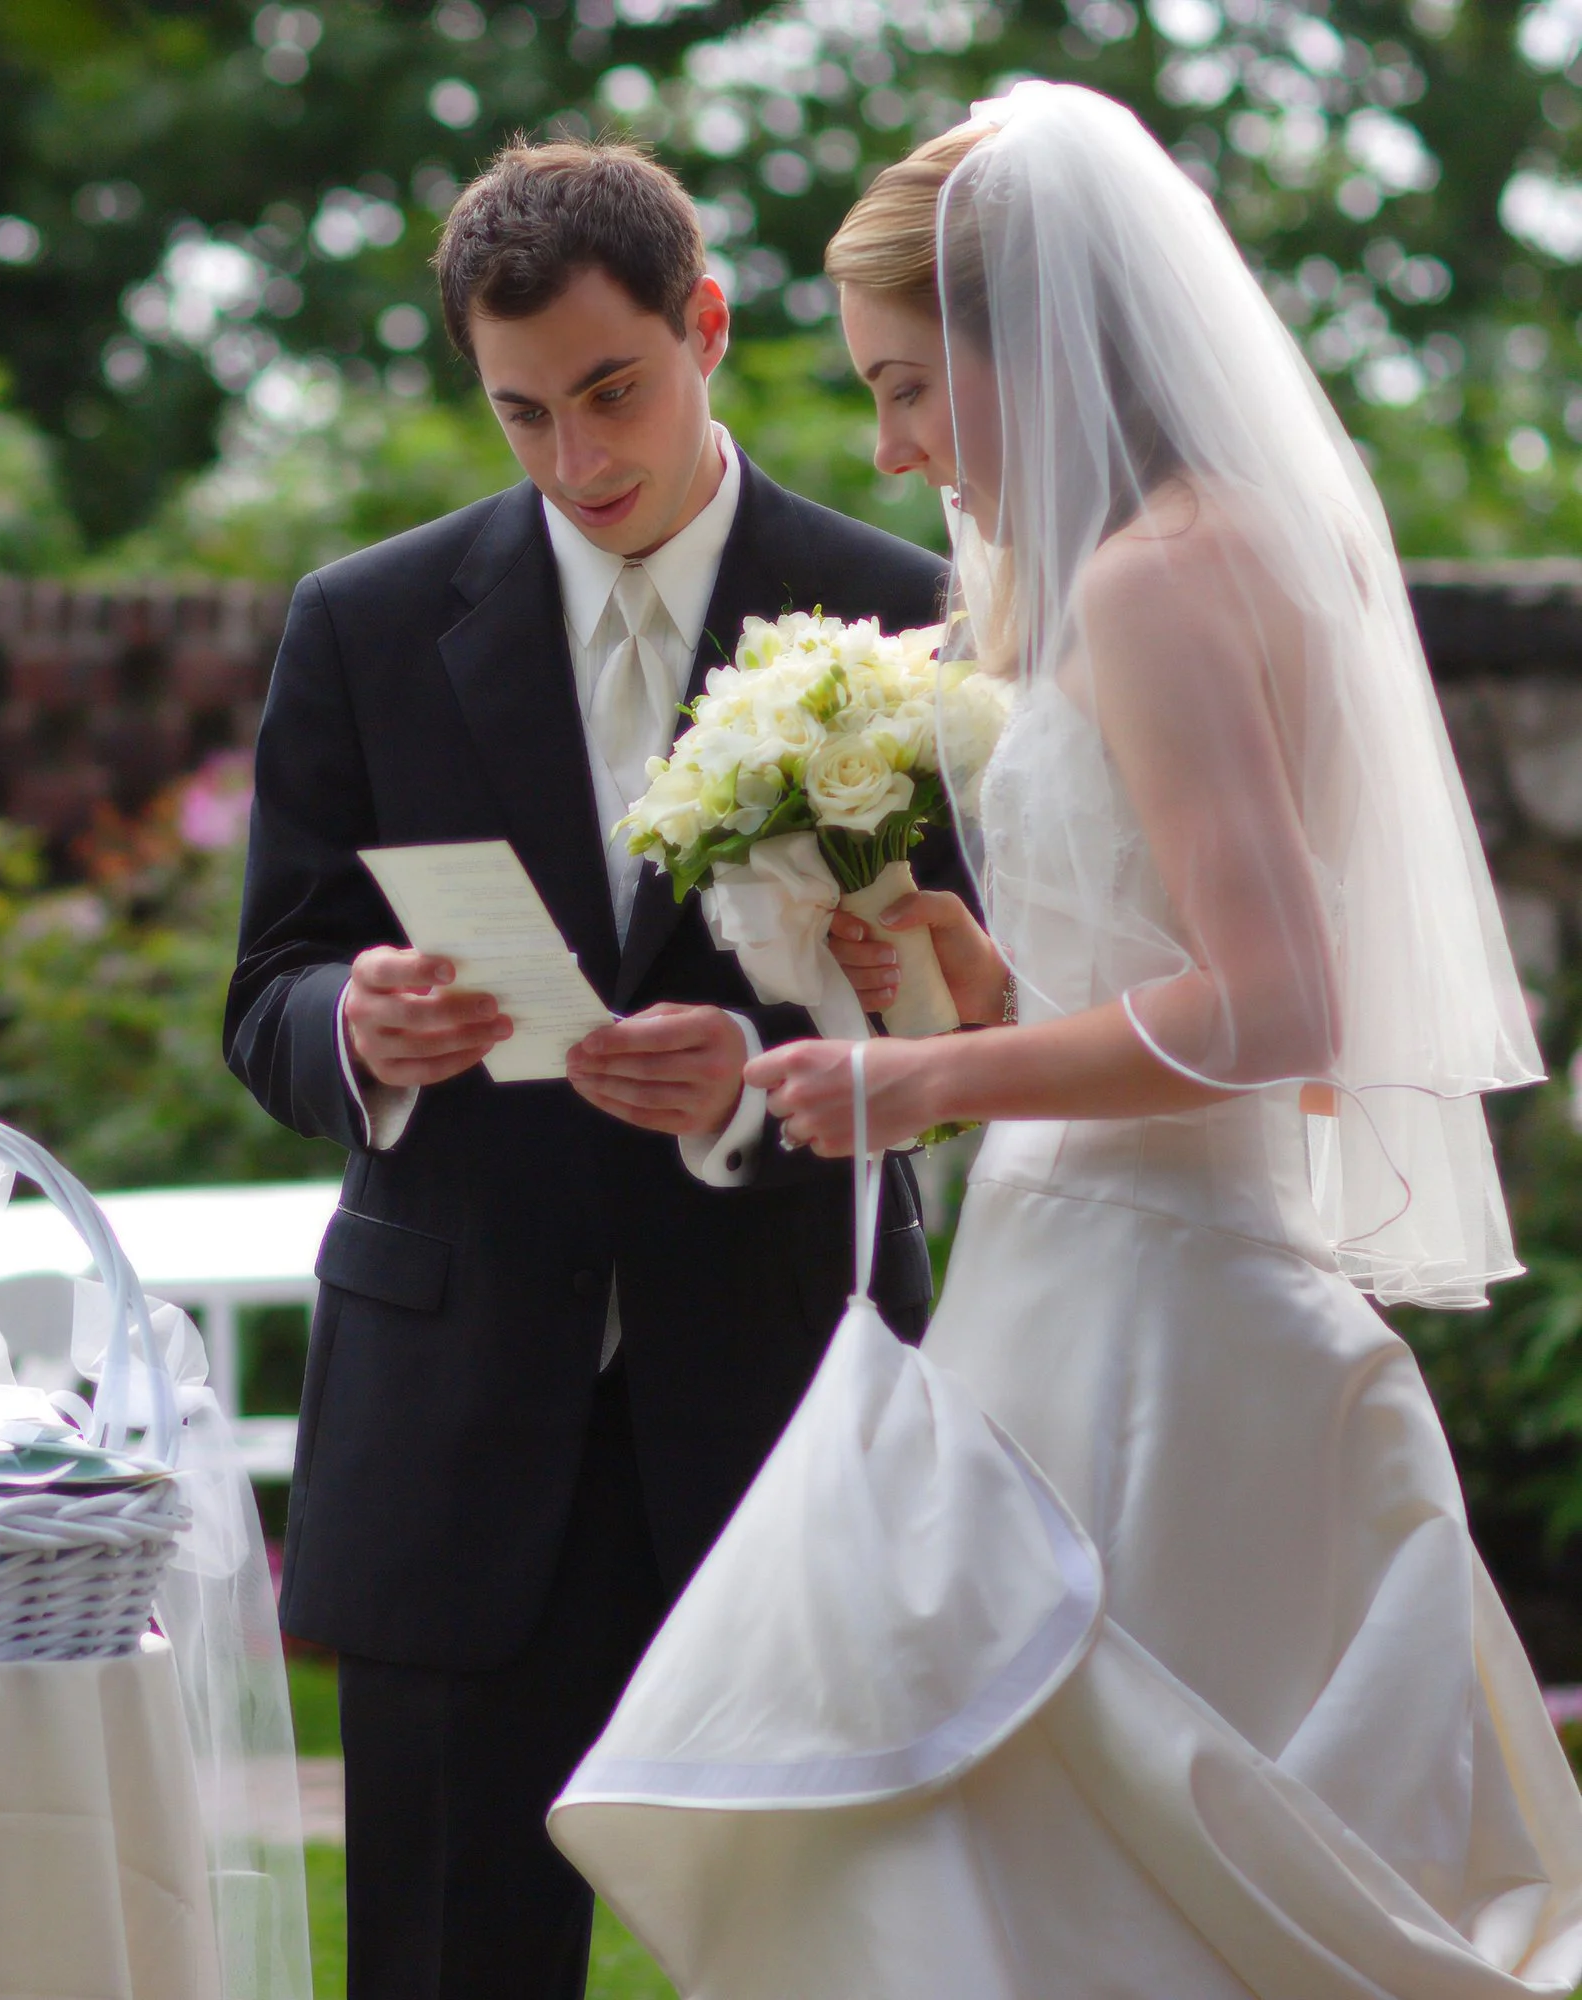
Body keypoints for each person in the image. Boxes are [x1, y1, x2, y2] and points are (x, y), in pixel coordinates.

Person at [549, 82, 1582, 1997]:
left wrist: (917, 1078)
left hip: (1157, 1332)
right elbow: (1172, 973)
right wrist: (970, 978)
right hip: (1087, 1279)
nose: (895, 443)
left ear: (1043, 343)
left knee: (1063, 1883)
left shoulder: (1154, 580)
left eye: (915, 385)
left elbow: (1281, 1011)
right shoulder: (1204, 555)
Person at [224, 140, 953, 1998]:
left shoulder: (906, 613)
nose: (575, 458)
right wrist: (357, 1034)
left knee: (834, 1960)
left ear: (705, 327)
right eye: (522, 413)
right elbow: (268, 994)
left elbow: (968, 1011)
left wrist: (763, 1078)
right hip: (458, 1416)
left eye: (611, 391)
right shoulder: (363, 624)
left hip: (791, 1393)